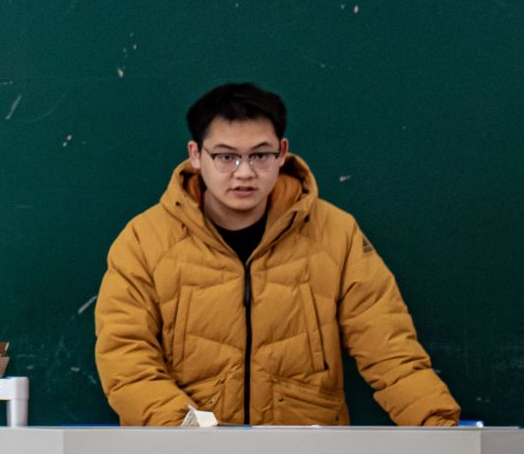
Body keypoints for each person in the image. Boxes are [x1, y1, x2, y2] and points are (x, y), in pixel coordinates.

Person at [94, 81, 458, 427]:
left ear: (282, 153)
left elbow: (389, 349)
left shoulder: (336, 235)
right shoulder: (144, 241)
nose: (244, 173)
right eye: (226, 157)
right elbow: (126, 359)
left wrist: (441, 428)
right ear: (196, 156)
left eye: (260, 155)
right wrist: (191, 434)